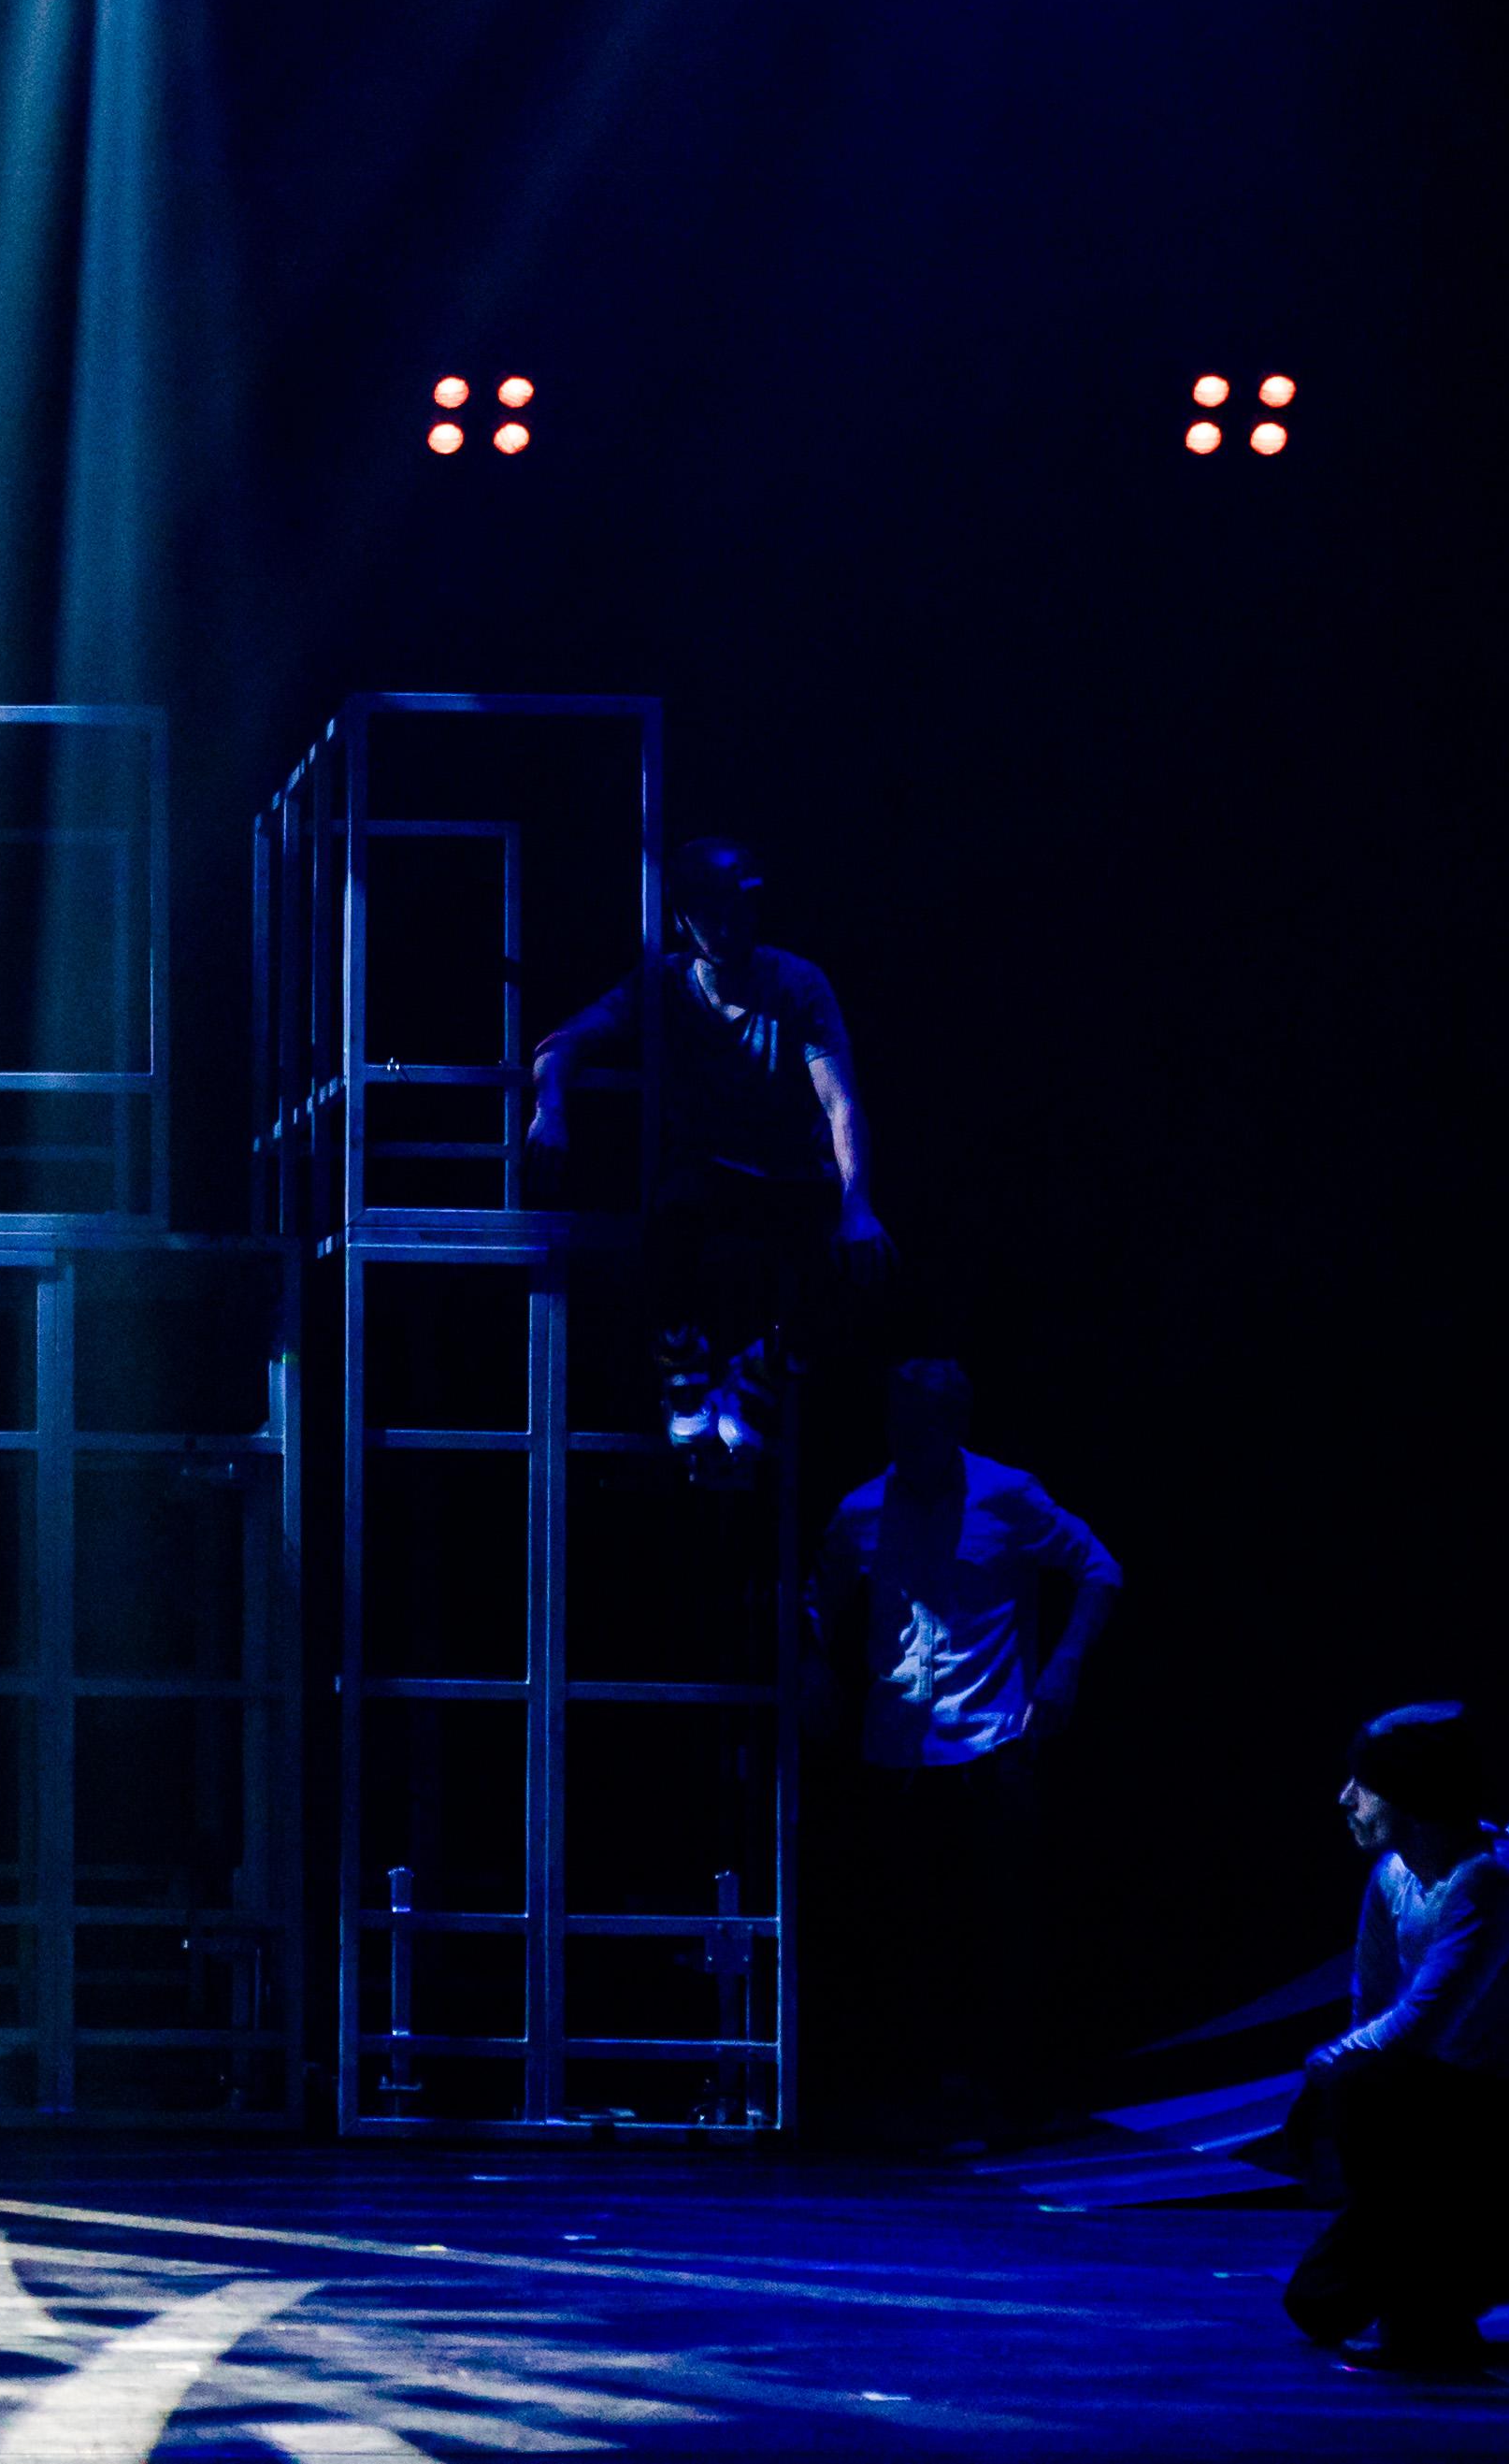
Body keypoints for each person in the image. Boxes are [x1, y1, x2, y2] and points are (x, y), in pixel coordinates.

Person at [810, 1360, 1118, 2141]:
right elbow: (816, 1596)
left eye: (921, 1423)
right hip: (896, 1748)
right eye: (895, 1420)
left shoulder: (1005, 1495)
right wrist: (812, 1664)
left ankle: (1010, 2096)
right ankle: (913, 2095)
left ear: (952, 1425)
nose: (904, 1437)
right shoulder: (860, 1510)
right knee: (905, 1931)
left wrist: (1064, 1666)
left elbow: (1099, 1568)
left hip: (991, 1741)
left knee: (1003, 1926)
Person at [524, 834, 888, 1467]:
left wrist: (857, 1206)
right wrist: (550, 1109)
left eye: (738, 909)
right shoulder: (664, 984)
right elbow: (565, 1041)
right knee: (668, 1221)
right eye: (711, 912)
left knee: (856, 1263)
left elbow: (841, 1102)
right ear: (683, 920)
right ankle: (683, 1362)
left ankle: (763, 1369)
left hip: (788, 1173)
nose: (727, 925)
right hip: (707, 1169)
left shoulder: (796, 984)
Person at [1284, 1702, 1509, 2361]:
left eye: (1365, 1783)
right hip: (1451, 2129)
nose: (1345, 1798)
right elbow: (1371, 2014)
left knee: (1362, 2084)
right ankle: (1467, 2265)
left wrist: (1321, 2073)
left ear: (1410, 1796)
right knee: (1317, 2303)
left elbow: (1415, 2031)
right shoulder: (1392, 1877)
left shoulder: (1492, 1883)